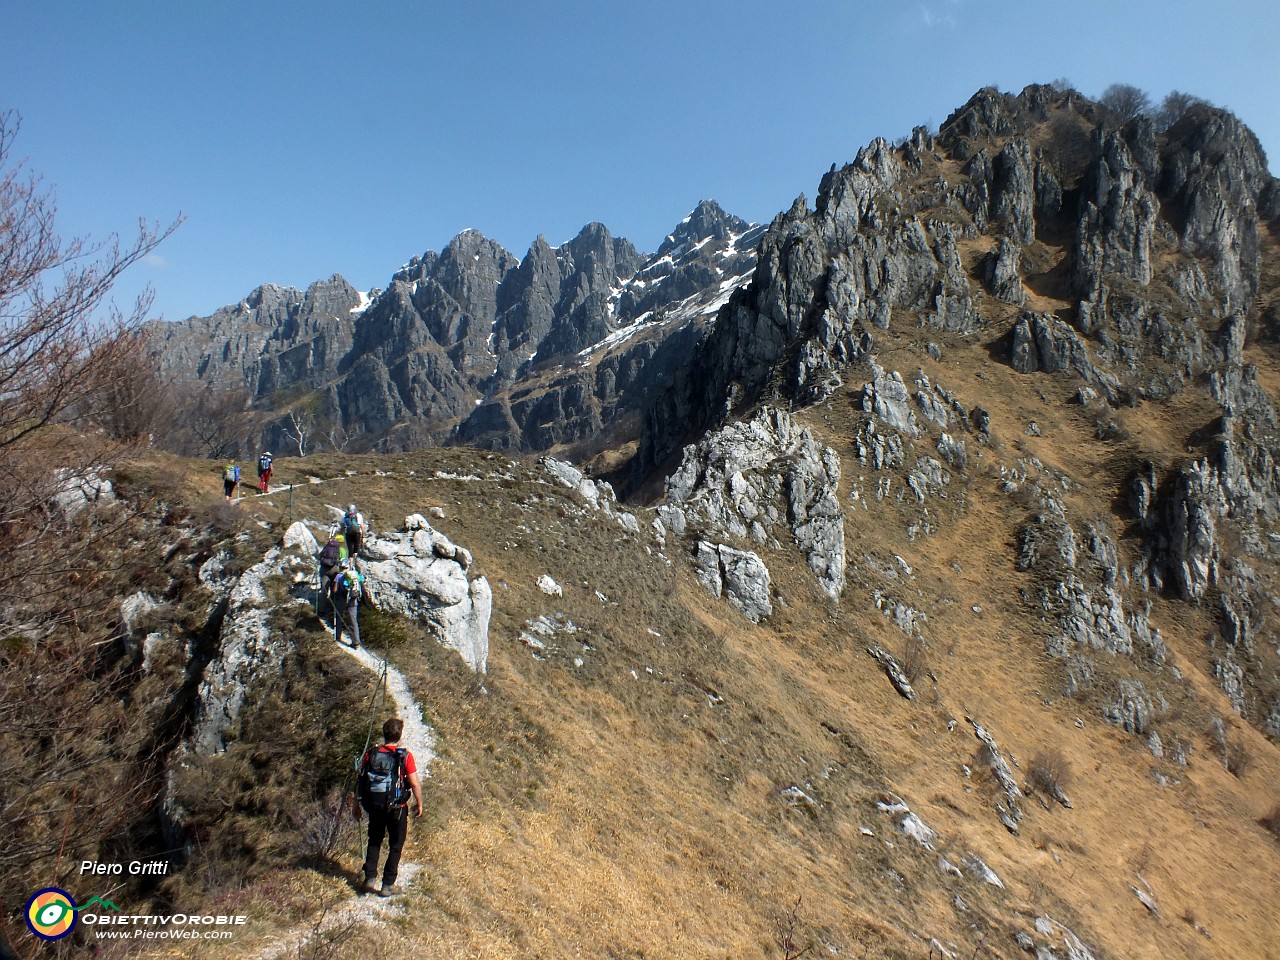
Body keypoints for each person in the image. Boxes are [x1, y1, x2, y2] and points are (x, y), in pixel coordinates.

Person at [353, 718, 423, 897]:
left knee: (375, 840)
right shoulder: (404, 756)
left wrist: (356, 804)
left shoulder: (371, 754)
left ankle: (369, 878)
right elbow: (414, 783)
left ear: (384, 734)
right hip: (397, 808)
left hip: (375, 806)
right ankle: (387, 884)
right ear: (399, 735)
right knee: (396, 845)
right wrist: (419, 804)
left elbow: (360, 779)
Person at [332, 559, 366, 648]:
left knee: (338, 616)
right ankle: (356, 641)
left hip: (342, 599)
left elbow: (335, 590)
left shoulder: (339, 576)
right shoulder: (355, 575)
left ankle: (337, 636)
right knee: (353, 620)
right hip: (354, 600)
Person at [316, 532, 348, 617]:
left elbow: (320, 556)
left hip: (324, 569)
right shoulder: (341, 550)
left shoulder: (328, 546)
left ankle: (321, 610)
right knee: (334, 589)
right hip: (334, 570)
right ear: (342, 542)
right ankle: (332, 609)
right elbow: (344, 562)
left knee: (324, 589)